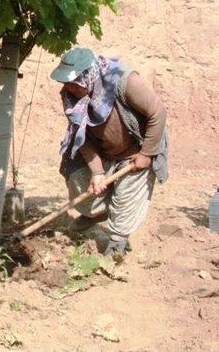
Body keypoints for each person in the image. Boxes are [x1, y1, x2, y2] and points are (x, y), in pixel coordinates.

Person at [50, 48, 168, 257]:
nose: (67, 87)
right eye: (65, 82)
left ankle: (118, 240)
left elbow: (157, 112)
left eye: (72, 82)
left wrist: (147, 153)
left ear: (88, 75)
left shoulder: (124, 81)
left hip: (136, 150)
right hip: (100, 149)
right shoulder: (70, 95)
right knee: (79, 179)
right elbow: (81, 136)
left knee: (127, 195)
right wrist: (97, 172)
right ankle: (97, 213)